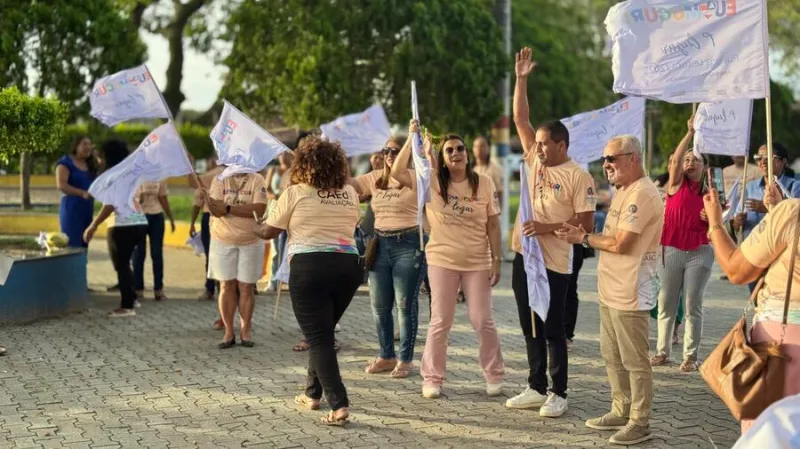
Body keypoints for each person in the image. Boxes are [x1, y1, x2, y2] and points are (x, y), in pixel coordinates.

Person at [504, 47, 596, 417]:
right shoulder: (533, 159)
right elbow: (519, 117)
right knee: (530, 326)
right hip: (525, 257)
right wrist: (521, 79)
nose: (537, 148)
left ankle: (559, 392)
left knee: (553, 327)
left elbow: (586, 226)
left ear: (561, 145)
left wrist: (545, 228)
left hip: (555, 263)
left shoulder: (578, 176)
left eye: (544, 143)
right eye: (536, 142)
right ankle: (535, 385)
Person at [556, 135, 663, 446]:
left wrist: (583, 238)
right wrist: (585, 235)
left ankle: (640, 422)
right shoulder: (623, 190)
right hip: (611, 289)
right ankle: (621, 409)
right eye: (604, 159)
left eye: (611, 158)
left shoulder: (642, 193)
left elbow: (621, 243)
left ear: (633, 158)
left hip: (631, 292)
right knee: (612, 356)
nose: (606, 165)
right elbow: (611, 237)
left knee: (635, 361)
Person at [392, 121, 504, 400]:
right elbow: (396, 172)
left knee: (482, 320)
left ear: (467, 153)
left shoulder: (484, 183)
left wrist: (497, 259)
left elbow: (493, 224)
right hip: (442, 260)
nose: (456, 153)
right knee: (440, 321)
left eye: (460, 149)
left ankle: (494, 374)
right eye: (449, 150)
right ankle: (432, 378)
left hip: (478, 262)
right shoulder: (430, 181)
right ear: (442, 158)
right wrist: (411, 138)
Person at [254, 136, 361, 426]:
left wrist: (256, 225)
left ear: (302, 164)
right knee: (322, 332)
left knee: (319, 338)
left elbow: (269, 232)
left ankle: (339, 405)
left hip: (310, 268)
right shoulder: (349, 193)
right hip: (348, 267)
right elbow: (352, 224)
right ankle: (312, 394)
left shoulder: (295, 192)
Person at [704, 182, 800, 435]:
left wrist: (715, 223)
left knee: (770, 434)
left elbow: (736, 270)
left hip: (783, 343)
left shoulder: (792, 213)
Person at [351, 134, 426, 379]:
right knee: (379, 306)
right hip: (380, 244)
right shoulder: (375, 178)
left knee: (405, 305)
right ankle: (386, 355)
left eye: (395, 151)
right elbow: (348, 184)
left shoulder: (417, 177)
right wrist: (338, 155)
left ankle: (405, 359)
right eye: (386, 151)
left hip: (409, 243)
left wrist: (413, 138)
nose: (390, 155)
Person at [650, 114, 714, 372]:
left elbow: (721, 225)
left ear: (704, 166)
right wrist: (689, 133)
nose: (689, 163)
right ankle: (662, 352)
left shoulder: (711, 193)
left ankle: (690, 357)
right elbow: (675, 161)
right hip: (671, 249)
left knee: (692, 305)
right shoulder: (675, 184)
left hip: (700, 252)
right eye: (687, 159)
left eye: (695, 159)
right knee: (666, 302)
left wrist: (712, 217)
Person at [83, 139, 149, 317]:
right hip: (139, 221)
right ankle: (132, 298)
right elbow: (140, 198)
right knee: (126, 264)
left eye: (100, 155)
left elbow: (110, 205)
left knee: (121, 265)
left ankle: (127, 307)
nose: (98, 159)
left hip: (122, 225)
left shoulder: (114, 176)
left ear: (107, 156)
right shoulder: (131, 172)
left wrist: (93, 225)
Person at [206, 169, 268, 348]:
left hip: (251, 240)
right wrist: (213, 203)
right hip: (222, 239)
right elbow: (216, 211)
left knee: (246, 287)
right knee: (226, 285)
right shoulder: (219, 179)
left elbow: (259, 209)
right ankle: (228, 332)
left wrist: (228, 208)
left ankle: (245, 330)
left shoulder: (257, 178)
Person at [732, 143, 800, 291]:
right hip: (754, 255)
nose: (762, 162)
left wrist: (767, 208)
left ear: (782, 162)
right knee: (755, 297)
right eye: (758, 158)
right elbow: (736, 221)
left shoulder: (795, 187)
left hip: (781, 256)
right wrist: (737, 222)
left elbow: (795, 219)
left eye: (768, 158)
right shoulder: (750, 187)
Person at [132, 180, 176, 301]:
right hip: (139, 216)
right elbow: (133, 199)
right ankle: (138, 288)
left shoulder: (160, 177)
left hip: (156, 216)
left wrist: (170, 218)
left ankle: (158, 289)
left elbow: (163, 197)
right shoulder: (137, 175)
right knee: (139, 254)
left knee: (157, 254)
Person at [189, 162, 223, 302]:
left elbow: (197, 203)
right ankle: (221, 286)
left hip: (210, 217)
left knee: (211, 254)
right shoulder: (232, 174)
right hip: (224, 217)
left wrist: (192, 224)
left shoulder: (208, 177)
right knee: (221, 253)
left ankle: (211, 288)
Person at [56, 135, 97, 249]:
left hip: (87, 208)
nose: (88, 147)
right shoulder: (65, 163)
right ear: (76, 146)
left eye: (90, 144)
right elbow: (61, 185)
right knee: (72, 244)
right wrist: (82, 193)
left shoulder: (90, 164)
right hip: (72, 209)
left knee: (85, 243)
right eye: (84, 144)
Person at [472, 135, 504, 208]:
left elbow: (499, 193)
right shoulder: (468, 169)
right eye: (476, 146)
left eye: (482, 146)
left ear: (488, 148)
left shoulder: (495, 169)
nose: (479, 149)